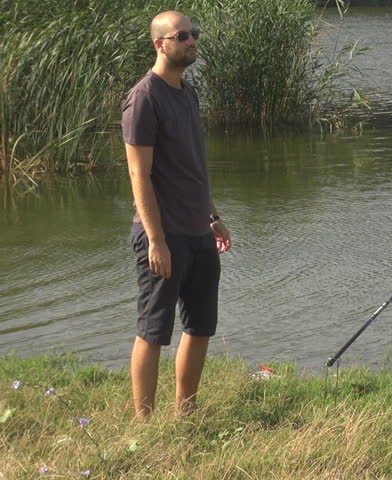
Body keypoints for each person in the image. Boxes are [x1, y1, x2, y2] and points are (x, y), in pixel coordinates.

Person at [122, 10, 231, 418]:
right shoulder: (145, 97)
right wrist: (156, 239)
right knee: (153, 332)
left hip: (197, 231)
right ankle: (144, 421)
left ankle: (186, 413)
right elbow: (139, 174)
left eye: (194, 34)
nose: (191, 41)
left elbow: (192, 166)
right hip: (163, 234)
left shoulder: (188, 92)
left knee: (200, 326)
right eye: (182, 35)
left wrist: (212, 216)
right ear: (159, 44)